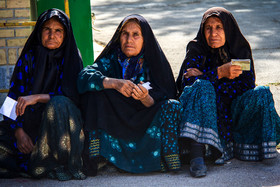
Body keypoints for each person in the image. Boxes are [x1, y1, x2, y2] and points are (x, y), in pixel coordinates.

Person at [176, 7, 280, 178]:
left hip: (232, 112)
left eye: (219, 27)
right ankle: (197, 154)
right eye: (208, 28)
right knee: (202, 87)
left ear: (228, 29)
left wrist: (206, 76)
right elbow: (186, 85)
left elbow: (246, 85)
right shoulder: (196, 49)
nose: (213, 33)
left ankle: (259, 148)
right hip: (204, 113)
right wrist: (219, 73)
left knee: (262, 93)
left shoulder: (240, 49)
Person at [77, 14, 182, 174]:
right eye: (124, 34)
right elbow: (83, 77)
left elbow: (167, 94)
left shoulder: (154, 62)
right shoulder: (111, 60)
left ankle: (165, 159)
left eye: (135, 35)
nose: (129, 40)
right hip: (117, 120)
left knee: (172, 106)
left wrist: (146, 98)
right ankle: (98, 158)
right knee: (94, 92)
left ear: (144, 39)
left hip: (146, 122)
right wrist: (113, 83)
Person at [0, 9, 86, 181]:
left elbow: (72, 96)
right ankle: (37, 158)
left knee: (58, 104)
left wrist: (37, 97)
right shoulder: (29, 58)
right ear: (39, 31)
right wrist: (19, 132)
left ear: (65, 34)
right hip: (30, 127)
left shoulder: (71, 57)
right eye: (47, 29)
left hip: (61, 127)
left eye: (58, 31)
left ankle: (58, 163)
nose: (51, 35)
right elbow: (12, 99)